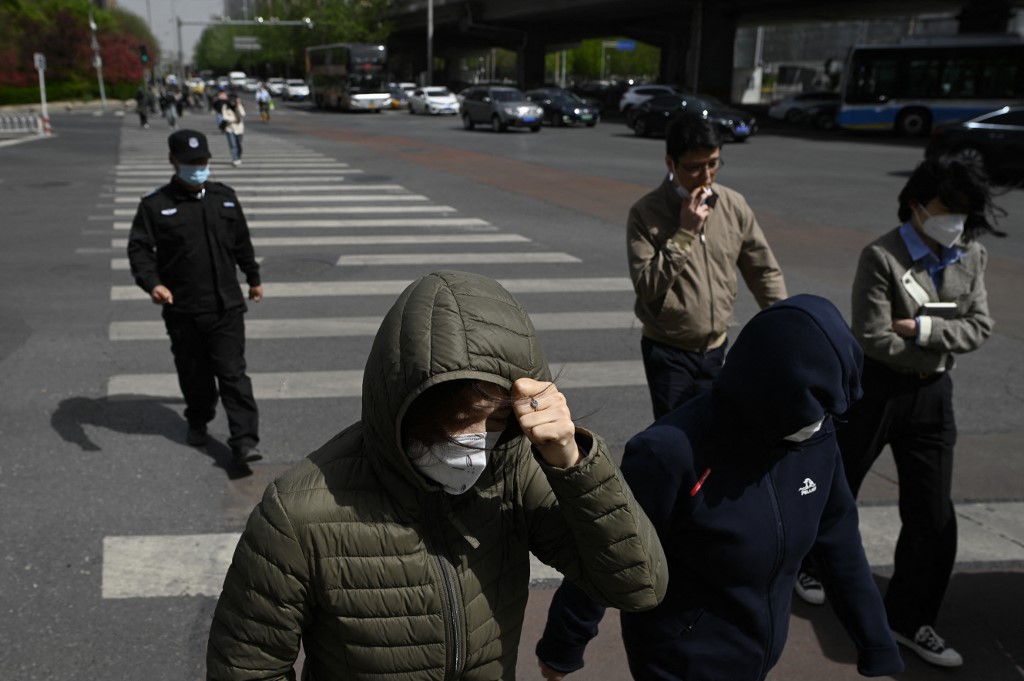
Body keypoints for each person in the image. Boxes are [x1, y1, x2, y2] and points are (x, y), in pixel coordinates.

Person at [205, 270, 668, 681]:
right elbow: (249, 667)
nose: (473, 443)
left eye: (494, 421)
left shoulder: (514, 473)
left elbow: (637, 586)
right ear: (402, 409)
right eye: (455, 421)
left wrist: (573, 461)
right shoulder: (298, 513)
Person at [536, 294, 905, 681]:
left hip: (758, 657)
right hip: (679, 660)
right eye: (813, 411)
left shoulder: (817, 432)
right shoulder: (669, 452)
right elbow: (611, 550)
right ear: (772, 394)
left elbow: (839, 537)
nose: (821, 423)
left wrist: (876, 642)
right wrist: (564, 644)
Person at [835, 154, 1004, 668]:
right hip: (877, 388)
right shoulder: (882, 257)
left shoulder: (970, 256)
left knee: (932, 513)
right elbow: (875, 336)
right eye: (947, 209)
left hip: (934, 394)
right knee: (838, 486)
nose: (956, 221)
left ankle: (909, 619)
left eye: (964, 212)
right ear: (916, 205)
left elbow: (980, 326)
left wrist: (926, 331)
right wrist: (929, 340)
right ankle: (810, 564)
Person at [627, 114, 787, 420]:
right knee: (676, 441)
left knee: (716, 437)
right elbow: (647, 286)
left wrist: (784, 323)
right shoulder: (646, 213)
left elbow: (763, 270)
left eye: (713, 163)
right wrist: (684, 233)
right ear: (670, 163)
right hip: (668, 351)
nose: (706, 176)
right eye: (694, 167)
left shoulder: (733, 204)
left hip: (717, 348)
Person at [127, 129, 262, 463]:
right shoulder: (155, 205)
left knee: (233, 374)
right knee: (195, 376)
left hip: (226, 306)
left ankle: (244, 440)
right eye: (190, 162)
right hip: (183, 309)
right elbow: (139, 250)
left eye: (202, 161)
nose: (197, 167)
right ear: (173, 162)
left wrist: (254, 278)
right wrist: (152, 284)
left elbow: (242, 242)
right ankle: (198, 419)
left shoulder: (225, 197)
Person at [220, 92, 245, 167]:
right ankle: (235, 159)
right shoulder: (225, 106)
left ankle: (238, 157)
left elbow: (243, 114)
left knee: (239, 145)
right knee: (233, 145)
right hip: (230, 128)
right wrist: (233, 119)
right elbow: (224, 117)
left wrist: (238, 105)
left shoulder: (239, 105)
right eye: (231, 99)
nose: (232, 101)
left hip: (239, 129)